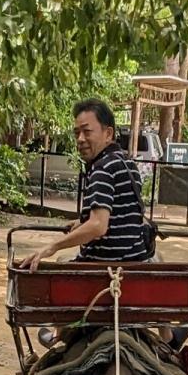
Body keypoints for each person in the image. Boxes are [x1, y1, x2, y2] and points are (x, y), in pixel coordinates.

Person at [20, 99, 149, 271]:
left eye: (87, 132)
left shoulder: (103, 168)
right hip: (135, 262)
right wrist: (83, 222)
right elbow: (120, 216)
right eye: (77, 133)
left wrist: (53, 246)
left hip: (104, 268)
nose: (80, 139)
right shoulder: (128, 164)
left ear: (108, 133)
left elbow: (98, 226)